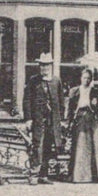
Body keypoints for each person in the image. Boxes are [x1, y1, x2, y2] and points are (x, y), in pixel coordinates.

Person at [23, 52, 63, 184]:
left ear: (51, 66)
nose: (44, 69)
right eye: (41, 66)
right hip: (38, 120)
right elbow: (27, 100)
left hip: (52, 121)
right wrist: (28, 118)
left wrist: (60, 119)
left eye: (46, 66)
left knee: (48, 147)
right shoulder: (34, 81)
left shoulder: (56, 81)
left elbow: (61, 101)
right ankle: (34, 175)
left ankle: (43, 175)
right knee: (37, 146)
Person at [66, 67, 98, 183]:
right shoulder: (74, 91)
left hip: (92, 121)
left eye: (89, 78)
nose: (86, 80)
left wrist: (95, 105)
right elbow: (70, 109)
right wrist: (68, 122)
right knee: (80, 146)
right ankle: (78, 176)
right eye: (84, 78)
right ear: (80, 78)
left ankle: (95, 176)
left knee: (93, 147)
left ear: (91, 79)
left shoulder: (96, 92)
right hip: (79, 119)